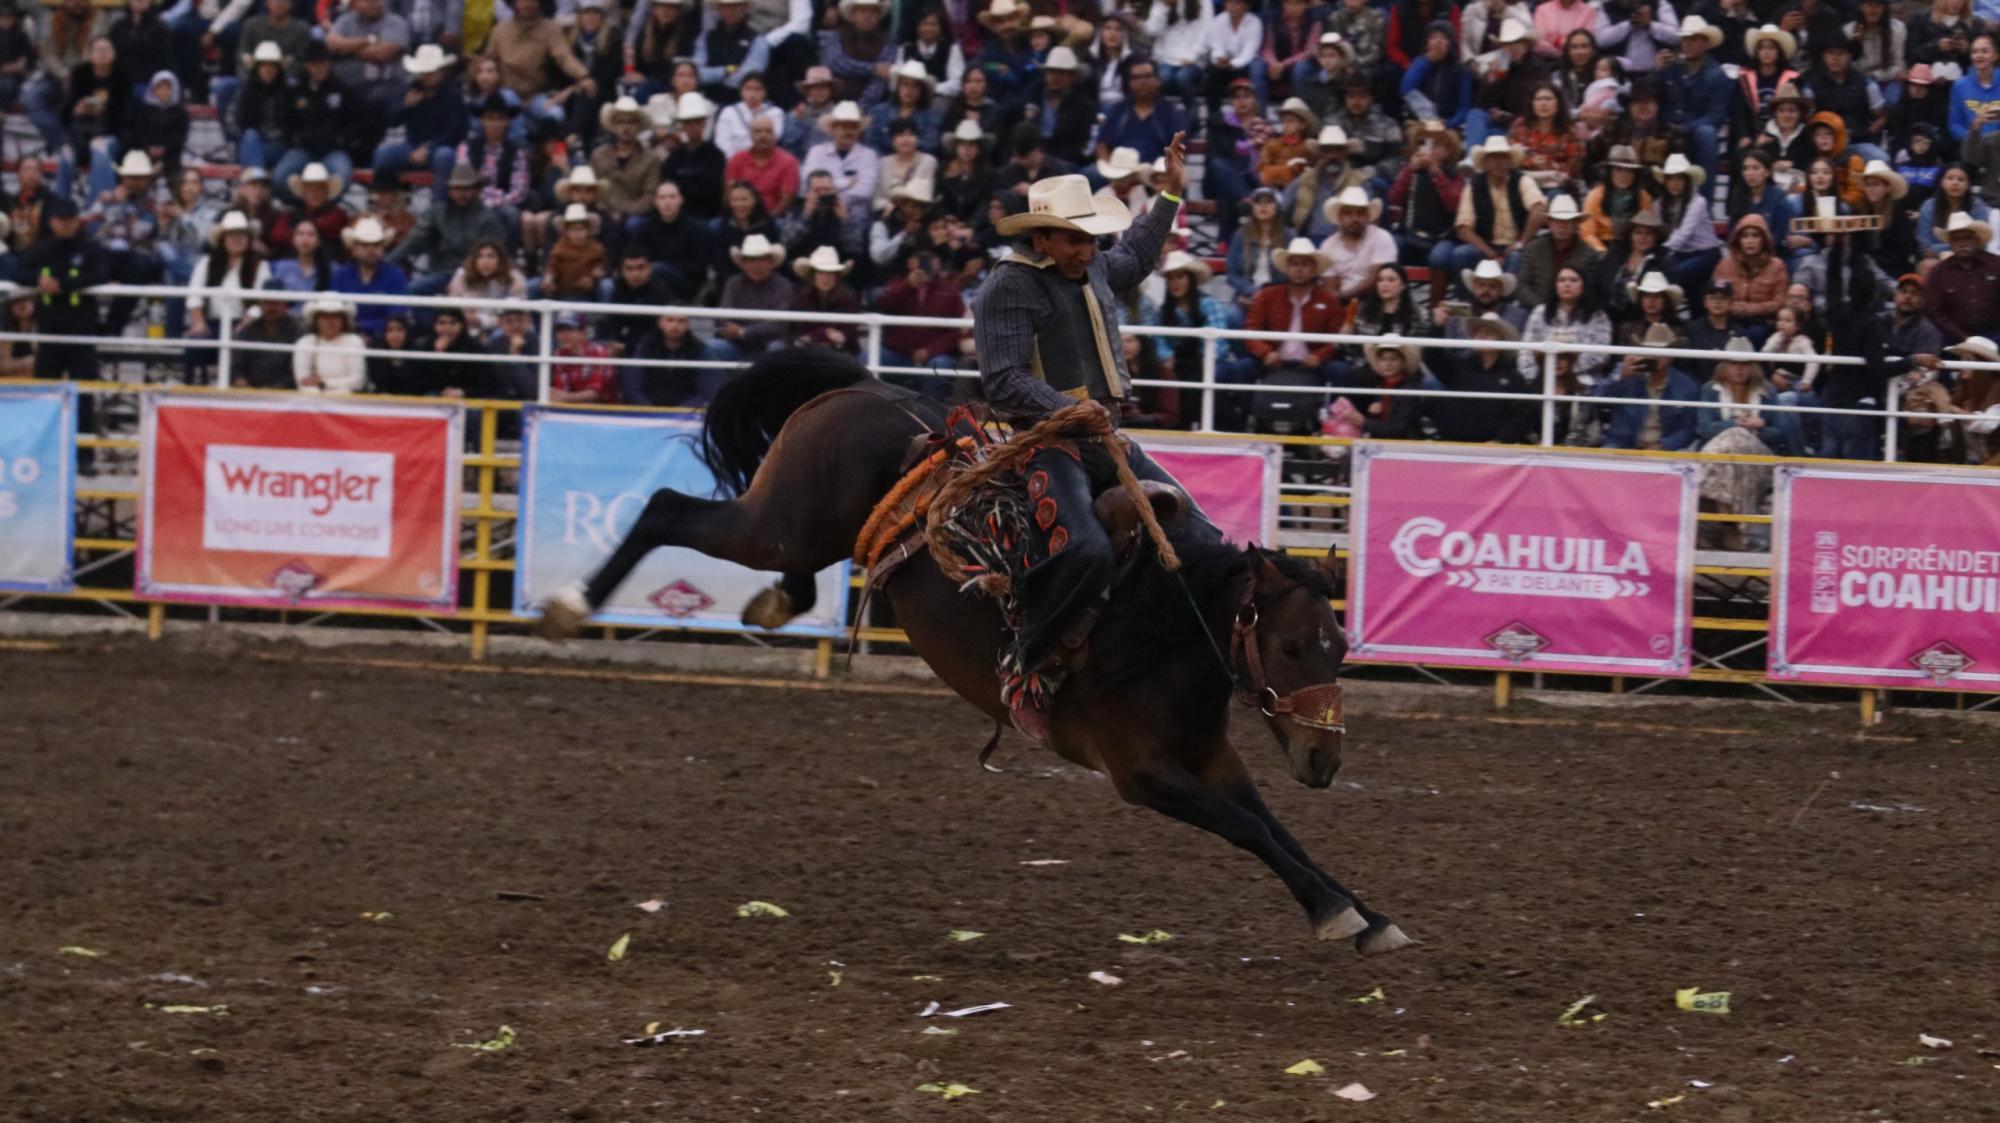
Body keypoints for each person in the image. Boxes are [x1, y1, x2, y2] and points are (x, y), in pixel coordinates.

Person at [969, 136, 1208, 738]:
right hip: (1045, 441)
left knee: (1196, 530)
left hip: (1104, 436)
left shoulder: (1093, 263)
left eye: (1091, 238)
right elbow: (1002, 379)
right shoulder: (1009, 285)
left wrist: (1171, 192)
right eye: (1075, 239)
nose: (1088, 249)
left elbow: (1135, 257)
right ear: (1041, 238)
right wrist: (1070, 412)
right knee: (1086, 549)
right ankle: (1025, 664)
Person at [1437, 134, 1547, 282]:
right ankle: (1466, 303)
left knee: (1516, 257)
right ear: (1485, 162)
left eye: (1503, 157)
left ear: (1509, 161)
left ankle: (1507, 303)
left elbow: (1538, 209)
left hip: (1516, 245)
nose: (1499, 162)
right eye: (1494, 158)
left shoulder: (1522, 180)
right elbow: (1463, 228)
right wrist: (1490, 253)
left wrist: (1521, 242)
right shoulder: (1474, 185)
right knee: (1461, 254)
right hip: (1486, 245)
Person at [394, 164, 512, 297]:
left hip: (476, 277)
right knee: (413, 289)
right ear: (449, 190)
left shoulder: (488, 219)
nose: (461, 193)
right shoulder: (437, 212)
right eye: (456, 189)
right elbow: (414, 240)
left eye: (466, 189)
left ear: (476, 190)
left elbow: (497, 256)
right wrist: (387, 263)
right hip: (442, 273)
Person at [1245, 236, 1345, 380]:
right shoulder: (1266, 296)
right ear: (1287, 268)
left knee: (1341, 370)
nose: (1299, 269)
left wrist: (1319, 356)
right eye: (1294, 264)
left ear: (1313, 269)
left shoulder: (1329, 300)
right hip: (1273, 361)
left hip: (1313, 364)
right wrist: (1266, 353)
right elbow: (1251, 331)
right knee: (1241, 368)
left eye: (1305, 264)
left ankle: (1336, 404)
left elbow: (1336, 338)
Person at [1431, 312, 1537, 443]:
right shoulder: (1458, 366)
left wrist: (1500, 440)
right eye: (1478, 332)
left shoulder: (1512, 377)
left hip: (1492, 450)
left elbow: (1522, 415)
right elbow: (1433, 358)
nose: (1481, 335)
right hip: (1454, 444)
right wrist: (1437, 327)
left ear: (1501, 340)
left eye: (1489, 332)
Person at [1596, 322, 1701, 450]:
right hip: (1622, 444)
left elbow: (1688, 430)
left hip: (1663, 449)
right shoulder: (1626, 373)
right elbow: (1597, 398)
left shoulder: (1687, 386)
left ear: (1672, 355)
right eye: (1650, 349)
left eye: (1662, 351)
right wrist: (1619, 377)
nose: (1655, 355)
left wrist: (1663, 445)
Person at [1519, 264, 1614, 390]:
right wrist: (1536, 375)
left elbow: (1601, 354)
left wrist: (1567, 371)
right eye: (1562, 280)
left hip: (1584, 383)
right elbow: (1525, 351)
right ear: (1555, 285)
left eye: (1573, 280)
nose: (1567, 284)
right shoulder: (1539, 312)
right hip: (1541, 382)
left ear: (1583, 285)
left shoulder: (1598, 316)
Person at [713, 232, 794, 362]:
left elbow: (780, 324)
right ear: (743, 263)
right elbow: (722, 315)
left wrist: (744, 331)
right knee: (712, 347)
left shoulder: (783, 285)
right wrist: (727, 329)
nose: (756, 265)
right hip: (738, 345)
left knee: (777, 348)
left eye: (761, 260)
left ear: (771, 262)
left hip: (769, 345)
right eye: (750, 260)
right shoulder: (733, 283)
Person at [1512, 193, 1598, 312]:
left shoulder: (1589, 254)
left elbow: (1591, 290)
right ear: (1549, 224)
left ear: (1575, 224)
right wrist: (1540, 307)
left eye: (1567, 221)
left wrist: (1570, 308)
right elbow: (1521, 286)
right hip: (1536, 309)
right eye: (1557, 221)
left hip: (1575, 312)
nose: (1561, 226)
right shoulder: (1532, 249)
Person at [1923, 210, 2000, 341]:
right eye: (1957, 238)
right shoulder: (1938, 272)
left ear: (1976, 240)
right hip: (1954, 339)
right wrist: (1963, 339)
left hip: (1996, 335)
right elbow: (1935, 313)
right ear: (1950, 242)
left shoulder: (1996, 264)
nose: (1962, 243)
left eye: (1967, 237)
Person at [331, 217, 410, 338]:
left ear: (383, 248)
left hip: (384, 340)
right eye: (365, 245)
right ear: (354, 249)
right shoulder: (340, 275)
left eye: (376, 245)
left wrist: (362, 328)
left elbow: (397, 315)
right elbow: (333, 310)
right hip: (344, 336)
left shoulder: (396, 275)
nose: (371, 250)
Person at [1316, 186, 1396, 302]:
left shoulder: (1382, 237)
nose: (1355, 219)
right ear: (1340, 217)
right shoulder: (1328, 246)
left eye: (1360, 213)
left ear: (1368, 216)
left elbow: (1376, 280)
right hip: (1341, 305)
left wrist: (1342, 296)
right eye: (1348, 213)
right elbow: (1330, 288)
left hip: (1377, 302)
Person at [624, 312, 719, 406]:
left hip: (686, 411)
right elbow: (634, 386)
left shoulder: (699, 349)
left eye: (681, 321)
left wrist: (682, 411)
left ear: (688, 325)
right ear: (660, 323)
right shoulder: (645, 347)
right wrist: (649, 410)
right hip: (648, 409)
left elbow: (707, 388)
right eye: (670, 320)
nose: (675, 325)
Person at [789, 244, 863, 352]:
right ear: (812, 275)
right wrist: (824, 333)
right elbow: (795, 331)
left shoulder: (848, 299)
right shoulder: (801, 298)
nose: (826, 278)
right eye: (821, 272)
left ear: (837, 277)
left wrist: (828, 337)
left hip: (839, 353)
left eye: (831, 273)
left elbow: (849, 333)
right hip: (806, 351)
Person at [293, 297, 367, 393]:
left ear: (343, 320)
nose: (330, 321)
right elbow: (302, 382)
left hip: (346, 401)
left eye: (335, 316)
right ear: (316, 320)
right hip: (311, 401)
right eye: (324, 316)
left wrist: (323, 383)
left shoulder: (354, 341)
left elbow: (357, 382)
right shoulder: (305, 342)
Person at [549, 312, 617, 403]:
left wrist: (567, 397)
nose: (563, 335)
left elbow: (595, 393)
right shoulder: (559, 355)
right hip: (571, 408)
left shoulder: (598, 352)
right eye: (560, 330)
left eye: (569, 330)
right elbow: (561, 390)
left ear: (583, 333)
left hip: (604, 409)